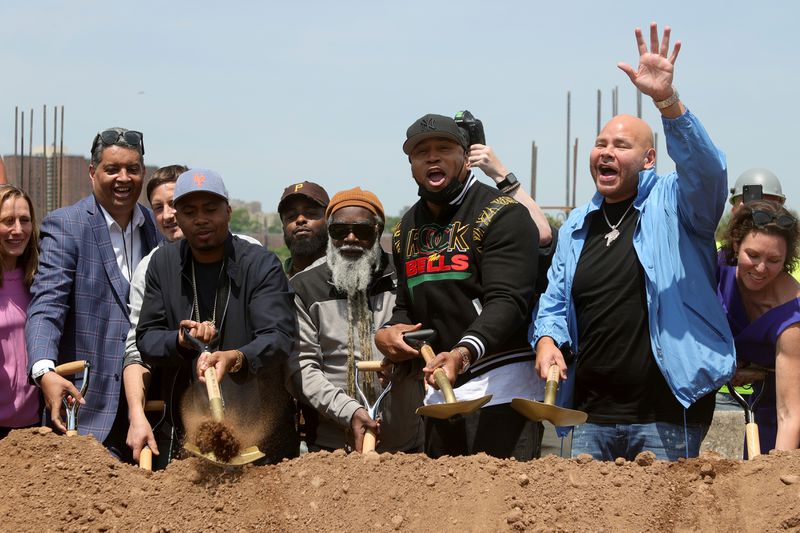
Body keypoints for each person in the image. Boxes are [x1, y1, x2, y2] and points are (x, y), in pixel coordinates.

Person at [533, 23, 736, 461]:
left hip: (665, 415)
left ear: (648, 158)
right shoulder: (575, 227)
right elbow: (553, 301)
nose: (605, 152)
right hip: (588, 416)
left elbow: (708, 172)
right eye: (600, 143)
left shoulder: (679, 204)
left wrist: (668, 103)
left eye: (620, 145)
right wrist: (547, 339)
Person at [375, 112, 541, 460]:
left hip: (502, 389)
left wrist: (463, 353)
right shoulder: (406, 228)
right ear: (411, 165)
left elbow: (508, 301)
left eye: (444, 148)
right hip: (440, 390)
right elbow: (408, 306)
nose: (432, 157)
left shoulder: (503, 213)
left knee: (501, 508)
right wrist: (389, 333)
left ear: (466, 158)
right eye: (421, 152)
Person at [136, 168, 298, 463]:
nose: (200, 219)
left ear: (228, 210)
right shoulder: (163, 264)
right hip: (185, 435)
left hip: (259, 437)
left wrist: (236, 357)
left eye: (211, 209)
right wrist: (180, 340)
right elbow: (146, 338)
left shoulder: (260, 264)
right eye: (189, 211)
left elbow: (279, 336)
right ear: (178, 217)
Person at [26, 128, 159, 457]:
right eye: (112, 169)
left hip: (147, 414)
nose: (123, 178)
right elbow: (47, 307)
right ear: (92, 172)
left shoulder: (156, 233)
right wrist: (44, 371)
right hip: (83, 412)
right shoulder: (67, 226)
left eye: (133, 169)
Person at [287, 187, 424, 453]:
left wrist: (409, 365)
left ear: (378, 230)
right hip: (331, 448)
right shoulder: (304, 287)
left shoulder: (407, 277)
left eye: (361, 231)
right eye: (340, 231)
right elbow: (301, 369)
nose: (351, 238)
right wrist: (349, 411)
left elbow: (433, 342)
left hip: (406, 447)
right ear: (329, 232)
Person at [717, 200, 800, 454]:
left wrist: (774, 477)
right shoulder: (717, 270)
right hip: (759, 404)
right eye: (752, 255)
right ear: (735, 245)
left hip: (787, 412)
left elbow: (790, 414)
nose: (761, 269)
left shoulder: (791, 319)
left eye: (774, 260)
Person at [0, 185, 40, 438]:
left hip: (35, 423)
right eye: (7, 221)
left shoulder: (38, 279)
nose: (18, 230)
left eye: (24, 220)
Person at [278, 181, 330, 277]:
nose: (300, 219)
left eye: (311, 213)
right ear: (283, 226)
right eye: (291, 216)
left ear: (329, 221)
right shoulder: (273, 280)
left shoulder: (343, 278)